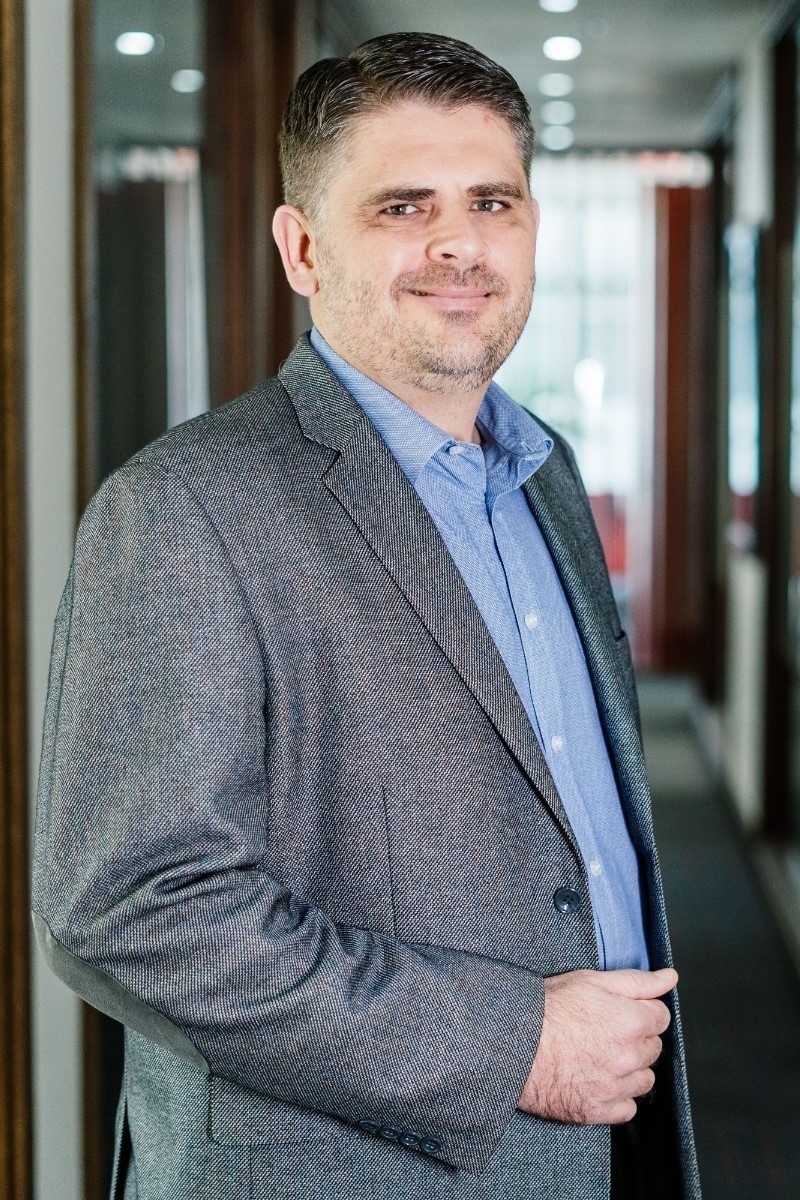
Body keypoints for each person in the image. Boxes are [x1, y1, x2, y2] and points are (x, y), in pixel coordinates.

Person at [33, 31, 701, 1200]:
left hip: (601, 1147)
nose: (458, 244)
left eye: (490, 201)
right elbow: (131, 908)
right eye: (402, 207)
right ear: (302, 248)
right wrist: (513, 1044)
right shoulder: (185, 507)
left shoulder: (545, 474)